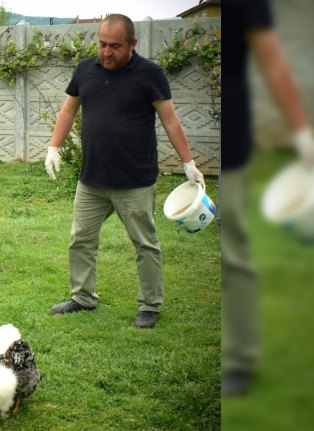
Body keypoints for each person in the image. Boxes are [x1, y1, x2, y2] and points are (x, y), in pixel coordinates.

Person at [44, 14, 205, 329]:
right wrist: (53, 146)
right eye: (102, 44)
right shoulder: (85, 70)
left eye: (115, 46)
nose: (106, 52)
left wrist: (188, 162)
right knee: (81, 239)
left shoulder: (150, 75)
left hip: (135, 181)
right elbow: (68, 108)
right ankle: (83, 298)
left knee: (144, 244)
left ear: (133, 43)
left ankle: (150, 306)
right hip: (91, 179)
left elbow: (170, 120)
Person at [220, 0, 314, 396]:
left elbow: (273, 62)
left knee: (234, 253)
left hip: (235, 146)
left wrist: (302, 131)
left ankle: (242, 357)